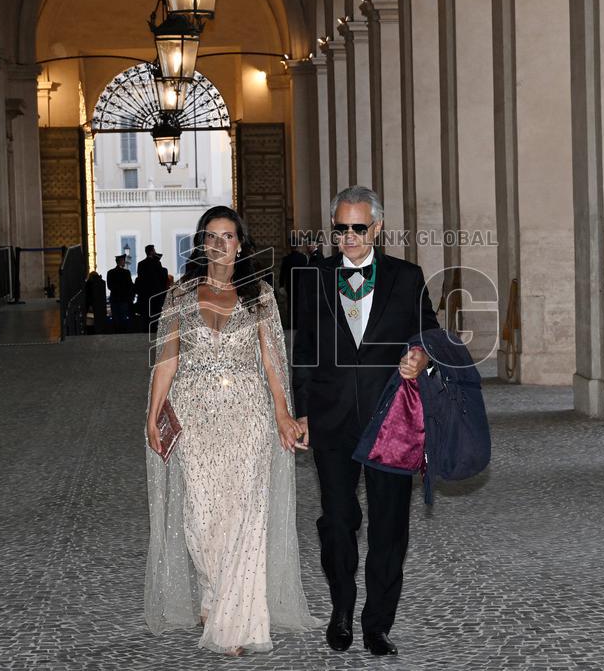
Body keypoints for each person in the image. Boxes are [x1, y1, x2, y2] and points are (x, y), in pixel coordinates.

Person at [143, 205, 322, 656]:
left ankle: (237, 621)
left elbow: (273, 362)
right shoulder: (181, 295)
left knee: (246, 514)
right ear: (202, 243)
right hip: (196, 417)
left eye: (228, 235)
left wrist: (283, 413)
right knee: (201, 518)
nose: (219, 244)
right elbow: (167, 359)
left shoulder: (260, 296)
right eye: (211, 236)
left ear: (240, 243)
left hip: (249, 417)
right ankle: (212, 597)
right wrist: (153, 412)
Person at [292, 185, 440, 656]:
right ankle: (341, 610)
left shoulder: (407, 276)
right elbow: (305, 351)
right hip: (332, 420)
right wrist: (302, 412)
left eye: (358, 227)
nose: (349, 237)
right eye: (341, 228)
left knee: (389, 526)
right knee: (337, 521)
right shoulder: (314, 277)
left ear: (377, 227)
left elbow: (429, 336)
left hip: (392, 419)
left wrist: (421, 358)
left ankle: (377, 624)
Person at [136, 245, 169, 330]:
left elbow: (140, 279)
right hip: (156, 293)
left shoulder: (141, 264)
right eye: (154, 250)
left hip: (145, 294)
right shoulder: (157, 263)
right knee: (156, 312)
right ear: (151, 252)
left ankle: (146, 328)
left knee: (147, 312)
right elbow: (162, 277)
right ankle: (155, 328)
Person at [278, 237, 308, 330]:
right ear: (298, 245)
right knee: (300, 305)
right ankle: (300, 324)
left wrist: (281, 285)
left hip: (290, 286)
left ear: (290, 246)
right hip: (302, 285)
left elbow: (282, 274)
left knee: (291, 306)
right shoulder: (303, 258)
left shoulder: (286, 259)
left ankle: (292, 324)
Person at [106, 255, 133, 333]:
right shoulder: (126, 272)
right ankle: (123, 332)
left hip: (114, 298)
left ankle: (117, 332)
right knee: (123, 317)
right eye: (124, 260)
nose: (124, 262)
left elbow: (109, 286)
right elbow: (129, 286)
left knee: (115, 317)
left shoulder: (110, 272)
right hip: (123, 299)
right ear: (121, 261)